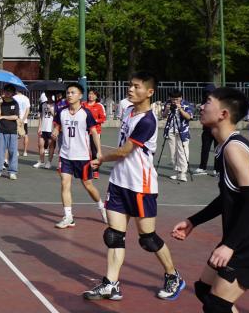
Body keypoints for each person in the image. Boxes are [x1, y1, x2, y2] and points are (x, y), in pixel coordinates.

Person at [171, 87, 249, 313]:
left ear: (223, 114)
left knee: (217, 305)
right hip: (244, 236)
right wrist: (193, 221)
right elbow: (228, 197)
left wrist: (230, 245)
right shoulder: (225, 146)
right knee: (205, 290)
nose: (201, 107)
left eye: (207, 102)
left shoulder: (234, 148)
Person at [84, 71, 184, 302]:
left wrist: (101, 158)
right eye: (130, 85)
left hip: (141, 185)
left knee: (148, 238)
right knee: (114, 236)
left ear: (149, 92)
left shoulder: (147, 121)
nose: (130, 89)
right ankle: (111, 284)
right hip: (119, 182)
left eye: (137, 87)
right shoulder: (128, 111)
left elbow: (125, 151)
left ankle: (173, 275)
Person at [51, 82, 105, 228]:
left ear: (80, 95)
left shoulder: (86, 113)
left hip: (82, 156)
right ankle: (68, 216)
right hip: (65, 155)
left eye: (73, 92)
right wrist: (55, 130)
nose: (69, 95)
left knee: (88, 185)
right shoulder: (62, 112)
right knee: (64, 183)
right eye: (68, 93)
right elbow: (57, 126)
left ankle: (101, 207)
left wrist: (99, 151)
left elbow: (94, 132)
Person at [163, 91, 194, 182]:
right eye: (172, 99)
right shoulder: (168, 103)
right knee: (173, 153)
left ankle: (183, 173)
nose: (174, 101)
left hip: (182, 132)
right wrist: (166, 110)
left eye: (176, 99)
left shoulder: (186, 104)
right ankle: (177, 172)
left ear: (181, 97)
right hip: (170, 130)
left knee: (182, 152)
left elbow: (189, 117)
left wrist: (180, 109)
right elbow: (163, 115)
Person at [0, 84, 21, 180]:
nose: (7, 92)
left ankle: (12, 171)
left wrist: (3, 117)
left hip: (12, 130)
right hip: (1, 130)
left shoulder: (15, 103)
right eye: (6, 90)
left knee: (12, 152)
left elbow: (15, 116)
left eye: (10, 91)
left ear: (13, 93)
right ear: (3, 91)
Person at [34, 96, 56, 169]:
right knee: (41, 145)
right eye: (47, 95)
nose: (48, 97)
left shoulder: (55, 104)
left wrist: (51, 109)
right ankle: (42, 161)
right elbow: (40, 116)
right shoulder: (42, 104)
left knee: (51, 146)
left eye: (49, 95)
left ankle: (49, 162)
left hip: (51, 128)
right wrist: (39, 127)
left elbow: (56, 116)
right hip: (43, 128)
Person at [13, 89, 31, 158]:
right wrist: (23, 119)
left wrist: (19, 119)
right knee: (25, 135)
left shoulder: (14, 98)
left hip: (16, 119)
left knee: (15, 136)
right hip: (24, 120)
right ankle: (25, 152)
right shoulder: (26, 98)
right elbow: (27, 110)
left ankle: (16, 151)